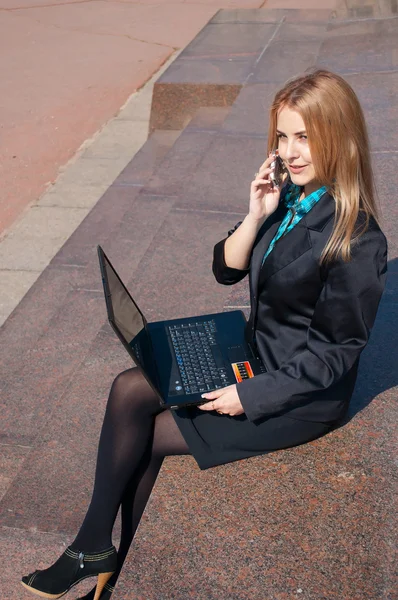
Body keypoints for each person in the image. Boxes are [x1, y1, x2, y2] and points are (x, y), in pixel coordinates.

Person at [21, 69, 387, 600]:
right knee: (129, 385)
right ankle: (93, 545)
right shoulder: (290, 199)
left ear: (340, 136)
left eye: (304, 137)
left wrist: (250, 395)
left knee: (146, 433)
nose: (289, 152)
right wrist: (255, 211)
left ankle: (100, 561)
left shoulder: (357, 240)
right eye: (282, 137)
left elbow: (335, 355)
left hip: (297, 397)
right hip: (255, 350)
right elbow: (226, 270)